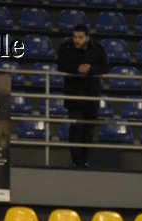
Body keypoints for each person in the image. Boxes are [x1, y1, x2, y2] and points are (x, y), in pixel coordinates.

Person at [56, 23, 107, 168]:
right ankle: (76, 161)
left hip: (92, 95)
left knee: (88, 130)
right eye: (74, 36)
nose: (76, 40)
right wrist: (77, 69)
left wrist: (91, 69)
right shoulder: (65, 47)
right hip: (73, 95)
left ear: (87, 37)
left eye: (80, 37)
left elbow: (105, 67)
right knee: (76, 127)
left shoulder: (98, 48)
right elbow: (60, 65)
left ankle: (84, 161)